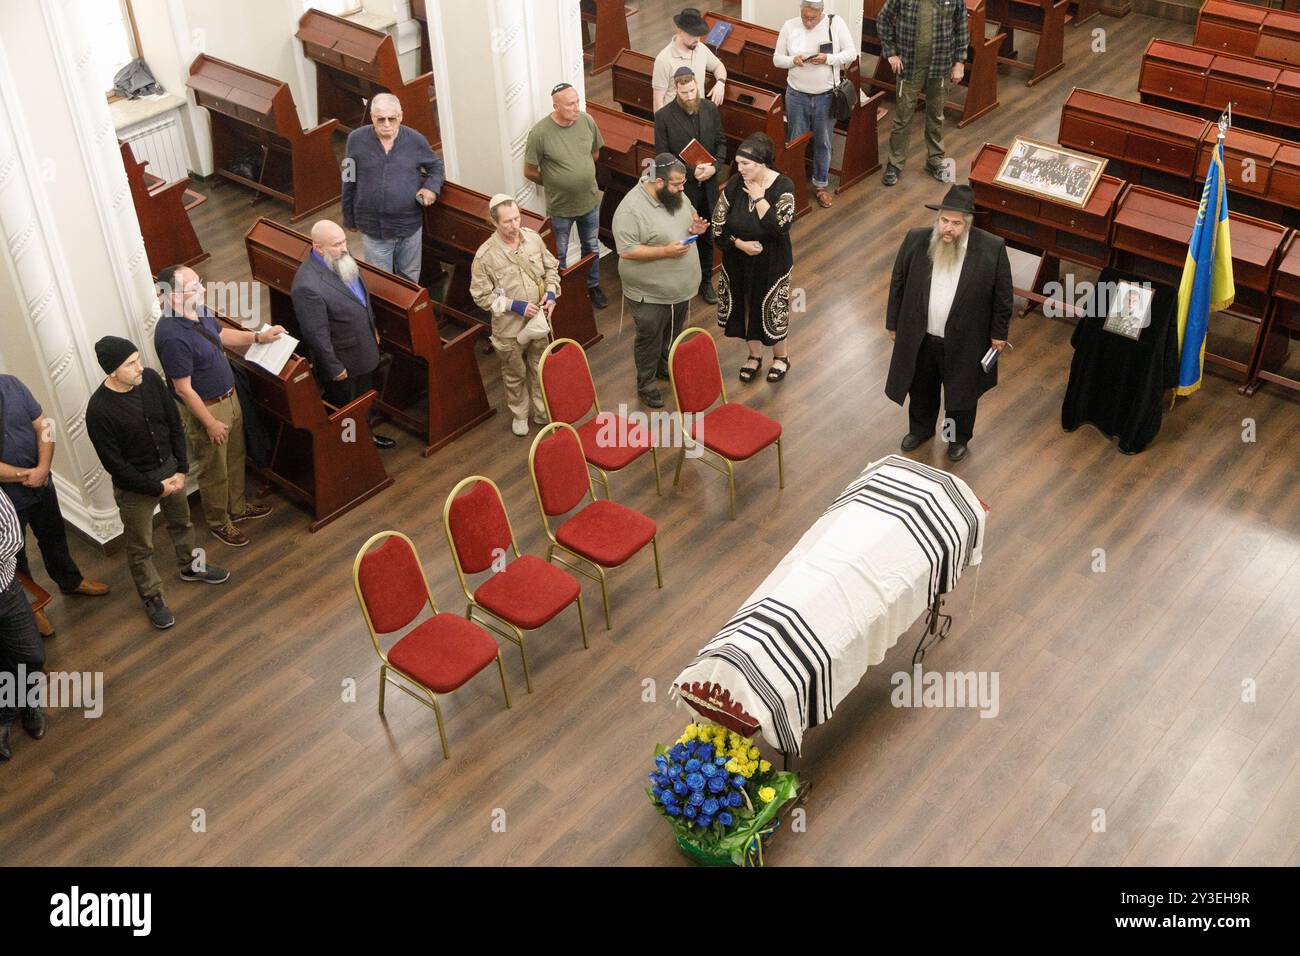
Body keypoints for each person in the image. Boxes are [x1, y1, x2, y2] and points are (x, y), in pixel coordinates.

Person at [86, 337, 230, 630]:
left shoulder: (150, 379)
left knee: (182, 522)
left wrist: (181, 469)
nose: (139, 367)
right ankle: (152, 596)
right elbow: (115, 465)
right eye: (130, 364)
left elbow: (174, 423)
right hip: (136, 487)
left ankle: (191, 565)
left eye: (138, 359)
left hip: (170, 470)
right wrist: (157, 488)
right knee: (140, 546)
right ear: (112, 371)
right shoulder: (98, 411)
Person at [154, 264, 284, 548]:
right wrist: (210, 423)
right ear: (173, 296)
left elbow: (221, 335)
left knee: (236, 456)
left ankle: (237, 508)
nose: (202, 289)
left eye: (199, 283)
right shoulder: (171, 336)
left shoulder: (199, 309)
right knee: (214, 469)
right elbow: (183, 390)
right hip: (208, 409)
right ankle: (219, 522)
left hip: (228, 396)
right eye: (193, 287)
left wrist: (258, 337)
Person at [885, 185, 1011, 462]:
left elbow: (1003, 297)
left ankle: (956, 438)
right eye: (944, 220)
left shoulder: (991, 248)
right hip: (922, 336)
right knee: (921, 388)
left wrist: (998, 335)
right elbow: (898, 282)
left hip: (966, 340)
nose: (948, 228)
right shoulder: (916, 240)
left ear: (967, 224)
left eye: (956, 223)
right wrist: (893, 322)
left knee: (960, 393)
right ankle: (920, 430)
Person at [0, 373, 109, 639]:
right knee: (16, 552)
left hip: (41, 482)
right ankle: (31, 606)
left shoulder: (12, 383)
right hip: (8, 497)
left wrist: (44, 468)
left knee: (53, 535)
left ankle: (70, 580)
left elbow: (44, 424)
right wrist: (25, 475)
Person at [612, 154, 709, 408]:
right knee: (650, 337)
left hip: (680, 287)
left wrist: (695, 228)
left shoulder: (676, 194)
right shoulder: (630, 210)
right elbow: (627, 250)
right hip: (650, 292)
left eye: (683, 183)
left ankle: (664, 366)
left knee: (673, 332)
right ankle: (646, 384)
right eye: (676, 184)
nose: (681, 189)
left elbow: (690, 215)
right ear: (657, 182)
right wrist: (664, 251)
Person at [292, 220, 396, 449]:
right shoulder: (307, 285)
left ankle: (366, 437)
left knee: (365, 400)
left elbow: (360, 299)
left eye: (344, 241)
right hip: (343, 363)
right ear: (318, 247)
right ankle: (351, 451)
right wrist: (334, 367)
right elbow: (315, 334)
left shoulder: (341, 259)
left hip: (363, 349)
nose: (344, 248)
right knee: (348, 411)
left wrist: (372, 329)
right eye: (337, 244)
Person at [469, 194, 562, 437]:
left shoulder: (532, 239)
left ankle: (542, 411)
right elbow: (480, 296)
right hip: (508, 327)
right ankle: (520, 414)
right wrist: (515, 305)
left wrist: (551, 293)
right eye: (507, 221)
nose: (515, 225)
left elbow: (551, 267)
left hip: (538, 321)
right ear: (494, 222)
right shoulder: (485, 255)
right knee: (514, 373)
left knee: (540, 366)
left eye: (517, 218)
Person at [711, 133, 796, 384]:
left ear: (762, 163)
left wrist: (759, 197)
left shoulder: (784, 187)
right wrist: (739, 244)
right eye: (737, 163)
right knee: (746, 306)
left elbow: (779, 228)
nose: (739, 169)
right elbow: (718, 227)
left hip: (772, 262)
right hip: (738, 259)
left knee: (771, 308)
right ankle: (754, 356)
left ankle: (781, 357)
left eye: (745, 164)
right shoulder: (736, 184)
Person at [340, 92, 444, 284]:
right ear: (372, 117)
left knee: (409, 281)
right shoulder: (355, 139)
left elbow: (436, 166)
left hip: (409, 225)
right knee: (382, 284)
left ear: (401, 116)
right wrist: (348, 217)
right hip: (373, 229)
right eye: (380, 119)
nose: (386, 124)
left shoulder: (415, 140)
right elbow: (348, 179)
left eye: (392, 118)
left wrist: (431, 187)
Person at [524, 83, 608, 309]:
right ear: (556, 106)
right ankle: (558, 292)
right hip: (560, 208)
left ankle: (593, 286)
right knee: (557, 254)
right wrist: (554, 182)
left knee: (591, 247)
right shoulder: (540, 133)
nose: (576, 107)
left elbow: (595, 152)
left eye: (577, 101)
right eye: (570, 104)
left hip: (589, 201)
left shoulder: (586, 121)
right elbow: (530, 170)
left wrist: (579, 174)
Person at [773, 0, 857, 209]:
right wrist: (793, 60)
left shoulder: (835, 24)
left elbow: (851, 54)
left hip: (826, 96)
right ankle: (794, 186)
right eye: (805, 17)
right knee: (795, 141)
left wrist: (828, 58)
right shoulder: (789, 26)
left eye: (812, 18)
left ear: (821, 13)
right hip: (796, 95)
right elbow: (777, 59)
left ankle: (820, 185)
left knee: (823, 142)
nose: (808, 22)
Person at [655, 67, 727, 305]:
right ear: (675, 89)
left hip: (708, 186)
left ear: (697, 86)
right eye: (684, 92)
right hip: (682, 189)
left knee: (706, 235)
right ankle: (682, 281)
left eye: (693, 90)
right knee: (683, 234)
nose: (689, 96)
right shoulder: (664, 116)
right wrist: (689, 171)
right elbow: (662, 157)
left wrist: (714, 167)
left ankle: (706, 280)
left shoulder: (709, 108)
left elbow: (721, 142)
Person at [878, 0, 968, 187]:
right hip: (909, 67)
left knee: (936, 115)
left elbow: (961, 27)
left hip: (941, 64)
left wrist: (959, 62)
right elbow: (883, 19)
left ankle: (935, 161)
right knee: (903, 116)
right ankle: (894, 165)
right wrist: (891, 52)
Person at [0, 490, 45, 761]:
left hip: (5, 591)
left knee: (32, 655)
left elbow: (12, 538)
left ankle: (27, 701)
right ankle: (5, 713)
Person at [651, 7, 728, 112]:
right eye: (693, 34)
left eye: (699, 35)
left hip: (699, 117)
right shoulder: (663, 60)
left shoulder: (701, 48)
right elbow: (658, 102)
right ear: (680, 31)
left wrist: (720, 83)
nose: (697, 39)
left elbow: (718, 66)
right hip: (677, 122)